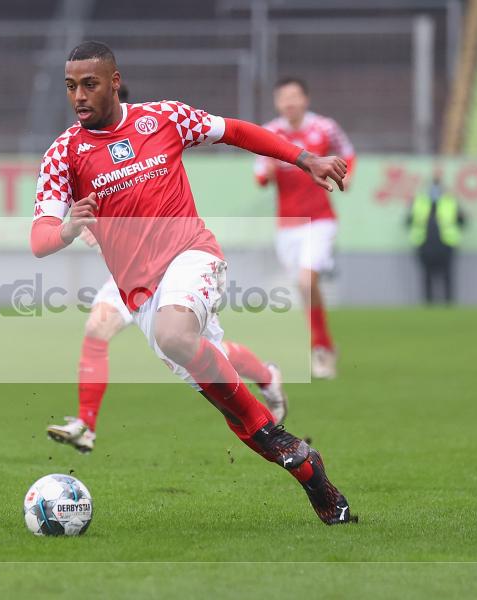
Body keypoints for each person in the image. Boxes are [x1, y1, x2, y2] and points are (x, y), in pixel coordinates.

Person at [30, 41, 355, 524]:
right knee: (237, 413)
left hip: (193, 257)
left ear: (114, 81)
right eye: (71, 86)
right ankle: (311, 474)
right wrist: (68, 228)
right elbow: (39, 238)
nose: (79, 95)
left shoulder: (164, 118)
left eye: (90, 84)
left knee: (175, 335)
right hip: (140, 296)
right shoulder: (64, 153)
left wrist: (304, 158)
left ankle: (281, 431)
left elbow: (238, 131)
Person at [46, 85, 287, 454]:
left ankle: (267, 377)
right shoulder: (76, 153)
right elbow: (68, 219)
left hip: (176, 263)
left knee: (203, 349)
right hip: (128, 276)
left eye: (93, 92)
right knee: (97, 328)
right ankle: (86, 425)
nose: (83, 103)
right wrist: (79, 227)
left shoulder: (153, 130)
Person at [254, 78, 356, 380]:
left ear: (305, 99)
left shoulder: (324, 128)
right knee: (304, 287)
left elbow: (347, 151)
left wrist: (346, 176)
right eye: (283, 97)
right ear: (277, 102)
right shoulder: (270, 133)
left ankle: (320, 348)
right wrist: (269, 170)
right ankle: (324, 343)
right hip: (287, 226)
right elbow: (260, 176)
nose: (289, 102)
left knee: (306, 279)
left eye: (295, 96)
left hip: (320, 219)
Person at [406, 175, 466, 304]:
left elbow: (462, 221)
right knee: (427, 275)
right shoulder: (419, 201)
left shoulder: (450, 201)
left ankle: (449, 302)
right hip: (424, 243)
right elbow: (408, 221)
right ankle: (428, 303)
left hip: (446, 243)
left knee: (447, 275)